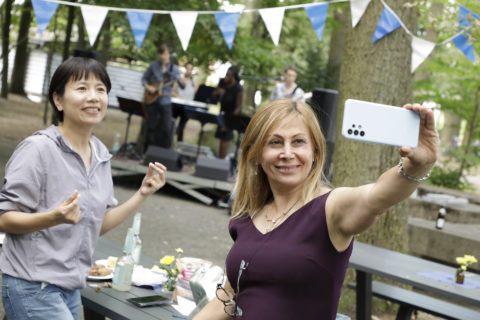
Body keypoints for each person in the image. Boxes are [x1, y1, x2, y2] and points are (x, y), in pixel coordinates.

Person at [193, 99, 438, 319]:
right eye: (275, 142)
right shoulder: (248, 216)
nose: (287, 153)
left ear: (314, 153)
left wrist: (416, 166)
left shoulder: (331, 208)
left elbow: (377, 197)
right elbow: (228, 295)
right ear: (256, 154)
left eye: (298, 142)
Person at [0, 57, 167, 320]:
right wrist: (52, 217)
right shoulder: (38, 149)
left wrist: (141, 194)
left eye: (100, 89)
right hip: (33, 285)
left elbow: (94, 224)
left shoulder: (100, 154)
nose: (93, 97)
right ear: (58, 100)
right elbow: (4, 218)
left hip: (71, 288)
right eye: (81, 88)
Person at [142, 44, 180, 150]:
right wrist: (149, 87)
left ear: (169, 55)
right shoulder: (153, 65)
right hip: (153, 99)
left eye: (166, 54)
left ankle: (164, 152)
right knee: (151, 126)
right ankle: (148, 151)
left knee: (167, 127)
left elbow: (178, 81)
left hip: (166, 100)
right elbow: (144, 79)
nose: (163, 56)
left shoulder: (174, 69)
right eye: (161, 54)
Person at [213, 66, 243, 159]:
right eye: (226, 74)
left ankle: (222, 160)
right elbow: (214, 95)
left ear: (233, 77)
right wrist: (218, 92)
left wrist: (229, 122)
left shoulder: (238, 88)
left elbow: (239, 106)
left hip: (231, 115)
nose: (226, 77)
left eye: (229, 75)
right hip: (222, 113)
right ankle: (219, 158)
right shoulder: (222, 83)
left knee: (226, 138)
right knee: (221, 137)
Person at [173, 62, 197, 142]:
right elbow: (171, 91)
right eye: (187, 68)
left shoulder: (194, 83)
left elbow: (195, 95)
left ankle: (179, 144)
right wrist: (178, 96)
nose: (188, 71)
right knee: (172, 124)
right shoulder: (179, 80)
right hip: (177, 105)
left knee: (181, 127)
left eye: (190, 69)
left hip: (187, 107)